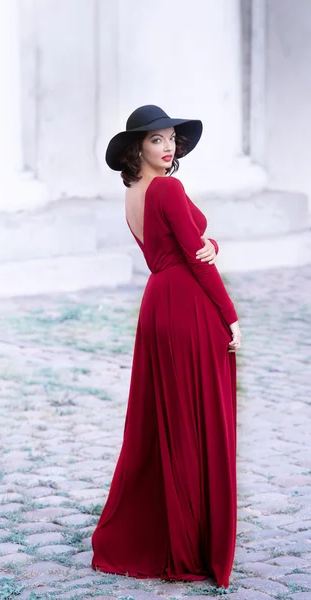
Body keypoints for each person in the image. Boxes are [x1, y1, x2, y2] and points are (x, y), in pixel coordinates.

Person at [91, 105, 242, 589]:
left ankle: (173, 527)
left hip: (159, 301)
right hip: (186, 304)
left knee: (167, 419)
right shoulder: (168, 188)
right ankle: (192, 540)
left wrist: (209, 242)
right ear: (138, 148)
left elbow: (186, 245)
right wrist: (231, 316)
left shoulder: (135, 194)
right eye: (156, 140)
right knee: (195, 417)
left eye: (171, 138)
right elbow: (197, 261)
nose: (168, 146)